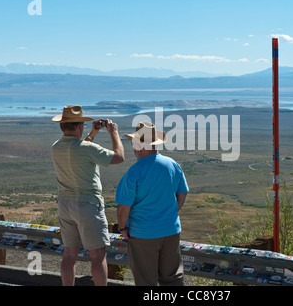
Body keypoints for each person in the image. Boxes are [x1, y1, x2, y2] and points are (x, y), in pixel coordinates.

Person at [51, 105, 124, 286]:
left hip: (65, 205)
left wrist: (92, 133)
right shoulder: (86, 149)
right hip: (88, 205)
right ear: (78, 127)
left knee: (69, 254)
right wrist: (114, 133)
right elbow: (119, 157)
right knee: (98, 256)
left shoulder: (56, 147)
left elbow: (78, 148)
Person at [115, 122, 189, 286]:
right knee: (173, 278)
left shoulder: (134, 172)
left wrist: (123, 228)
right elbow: (182, 193)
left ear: (139, 145)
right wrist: (173, 212)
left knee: (146, 280)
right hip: (171, 230)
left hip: (143, 234)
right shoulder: (172, 164)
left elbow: (123, 207)